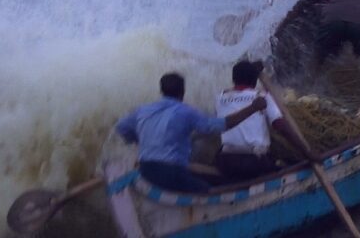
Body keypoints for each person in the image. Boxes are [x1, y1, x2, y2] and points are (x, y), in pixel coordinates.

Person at [115, 72, 268, 193]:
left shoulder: (142, 110)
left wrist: (139, 139)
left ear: (161, 91)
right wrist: (253, 108)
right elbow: (221, 125)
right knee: (212, 190)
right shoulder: (185, 112)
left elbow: (121, 128)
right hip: (171, 172)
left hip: (146, 169)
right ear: (183, 92)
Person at [214, 60, 314, 181]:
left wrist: (251, 71)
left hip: (226, 162)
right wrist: (307, 153)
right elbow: (280, 126)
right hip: (253, 162)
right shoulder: (262, 97)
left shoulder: (220, 98)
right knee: (284, 163)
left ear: (233, 79)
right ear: (255, 81)